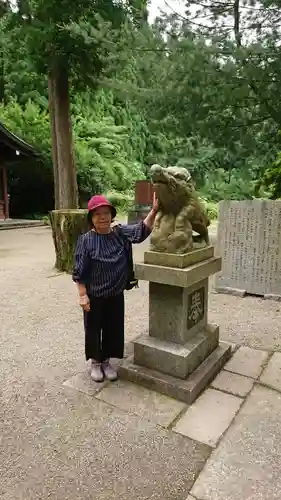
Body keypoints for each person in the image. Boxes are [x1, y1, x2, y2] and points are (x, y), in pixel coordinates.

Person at [72, 193, 158, 382]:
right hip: (94, 295)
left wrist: (154, 210)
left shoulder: (120, 233)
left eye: (106, 213)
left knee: (113, 328)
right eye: (97, 214)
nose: (102, 217)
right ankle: (95, 362)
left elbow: (141, 231)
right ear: (91, 219)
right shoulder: (86, 240)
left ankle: (106, 361)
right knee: (94, 328)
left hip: (115, 293)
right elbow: (80, 270)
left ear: (111, 215)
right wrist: (82, 295)